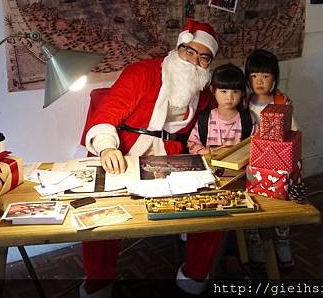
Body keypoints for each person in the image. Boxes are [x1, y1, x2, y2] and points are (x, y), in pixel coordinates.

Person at [79, 19, 221, 298]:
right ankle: (99, 283)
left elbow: (215, 124)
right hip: (125, 154)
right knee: (97, 216)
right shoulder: (142, 73)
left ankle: (194, 275)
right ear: (178, 48)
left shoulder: (205, 91)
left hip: (175, 162)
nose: (195, 61)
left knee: (213, 209)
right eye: (190, 52)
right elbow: (108, 112)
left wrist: (205, 147)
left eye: (204, 57)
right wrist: (107, 148)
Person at [244, 49, 297, 268]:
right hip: (251, 161)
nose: (259, 81)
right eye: (254, 76)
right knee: (250, 202)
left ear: (274, 77)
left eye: (265, 76)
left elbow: (293, 130)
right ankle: (254, 243)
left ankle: (282, 241)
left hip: (278, 163)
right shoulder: (244, 102)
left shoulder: (281, 100)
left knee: (281, 202)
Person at [187, 63, 255, 156]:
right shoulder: (205, 119)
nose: (229, 97)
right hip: (211, 167)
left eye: (235, 91)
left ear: (242, 93)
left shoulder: (248, 119)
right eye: (224, 91)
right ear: (213, 90)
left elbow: (257, 145)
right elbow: (192, 143)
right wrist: (205, 152)